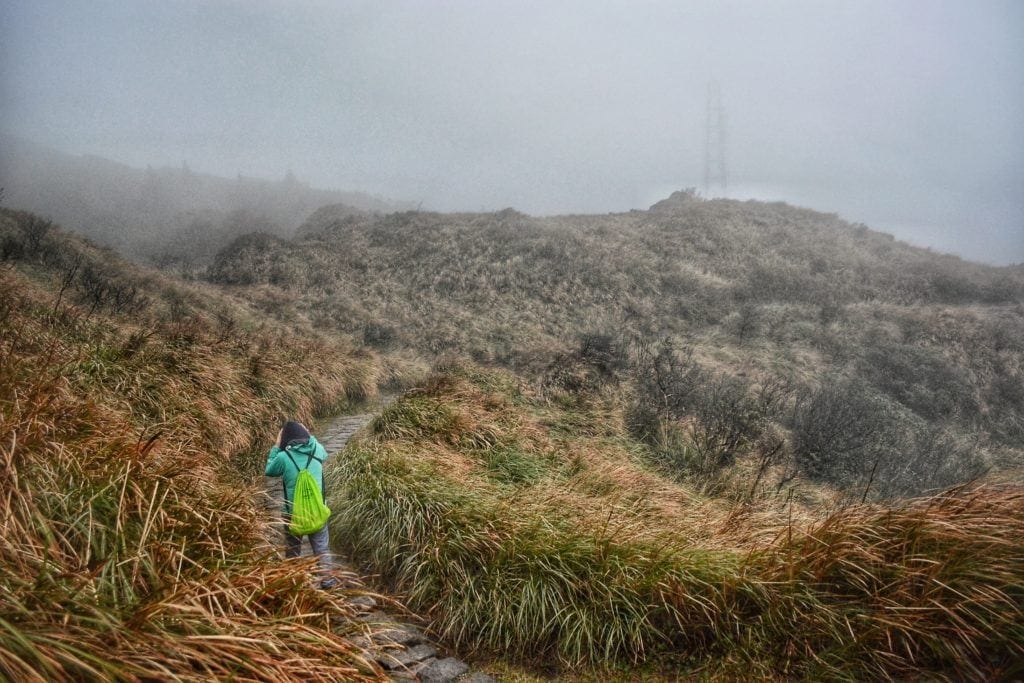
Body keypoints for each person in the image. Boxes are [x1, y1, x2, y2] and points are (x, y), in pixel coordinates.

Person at [265, 420, 337, 588]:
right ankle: (328, 582)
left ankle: (293, 583)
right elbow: (323, 453)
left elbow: (269, 470)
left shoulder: (283, 457)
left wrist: (276, 446)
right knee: (322, 549)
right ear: (305, 435)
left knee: (292, 551)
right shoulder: (317, 450)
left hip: (293, 514)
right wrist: (308, 434)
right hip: (317, 511)